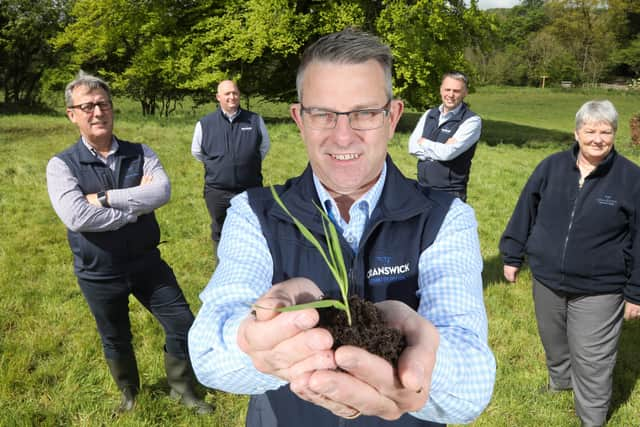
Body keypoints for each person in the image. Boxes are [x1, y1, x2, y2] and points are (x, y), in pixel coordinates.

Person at [188, 29, 495, 427]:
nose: (343, 135)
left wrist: (414, 359)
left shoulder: (443, 218)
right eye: (323, 114)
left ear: (393, 117)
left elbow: (473, 384)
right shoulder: (257, 212)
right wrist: (253, 340)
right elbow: (208, 353)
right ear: (300, 119)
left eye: (365, 112)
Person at [46, 72, 213, 415]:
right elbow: (77, 217)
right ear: (71, 114)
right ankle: (130, 394)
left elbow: (161, 192)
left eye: (103, 104)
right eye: (87, 106)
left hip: (146, 263)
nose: (97, 112)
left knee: (182, 323)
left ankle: (182, 388)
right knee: (115, 336)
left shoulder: (141, 153)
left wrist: (105, 198)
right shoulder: (61, 165)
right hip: (98, 271)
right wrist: (133, 210)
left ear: (112, 108)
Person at [499, 100, 640, 427]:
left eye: (605, 131)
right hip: (547, 279)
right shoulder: (551, 167)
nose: (597, 138)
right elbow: (525, 210)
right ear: (576, 132)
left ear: (614, 134)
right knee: (554, 341)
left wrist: (635, 292)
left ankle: (591, 418)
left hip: (600, 288)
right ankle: (560, 383)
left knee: (592, 358)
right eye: (590, 130)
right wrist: (512, 254)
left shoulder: (631, 179)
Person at [191, 80, 270, 247]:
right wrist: (217, 166)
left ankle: (252, 267)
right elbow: (197, 151)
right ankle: (223, 268)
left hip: (251, 188)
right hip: (217, 191)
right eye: (227, 94)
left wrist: (248, 163)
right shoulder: (205, 124)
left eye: (235, 93)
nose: (232, 97)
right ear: (218, 97)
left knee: (253, 229)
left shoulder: (254, 120)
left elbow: (264, 147)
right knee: (220, 231)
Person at [407, 72, 481, 202]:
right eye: (447, 89)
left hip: (449, 193)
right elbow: (412, 147)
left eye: (456, 91)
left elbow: (447, 154)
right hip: (422, 188)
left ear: (465, 93)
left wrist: (424, 143)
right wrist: (439, 149)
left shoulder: (471, 121)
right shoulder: (430, 114)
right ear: (441, 90)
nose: (451, 95)